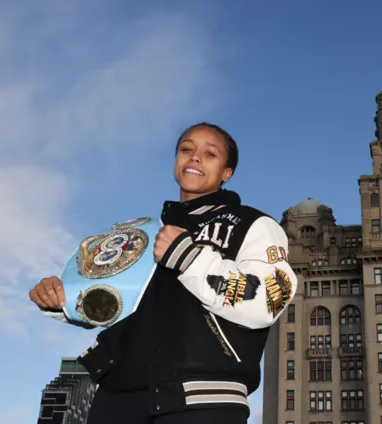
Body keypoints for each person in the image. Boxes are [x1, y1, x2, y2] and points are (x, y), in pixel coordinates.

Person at [29, 122, 297, 424]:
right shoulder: (143, 232)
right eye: (186, 149)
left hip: (203, 398)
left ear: (227, 172)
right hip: (117, 397)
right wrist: (63, 302)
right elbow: (114, 305)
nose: (194, 157)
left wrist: (189, 257)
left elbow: (270, 300)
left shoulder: (254, 224)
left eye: (210, 154)